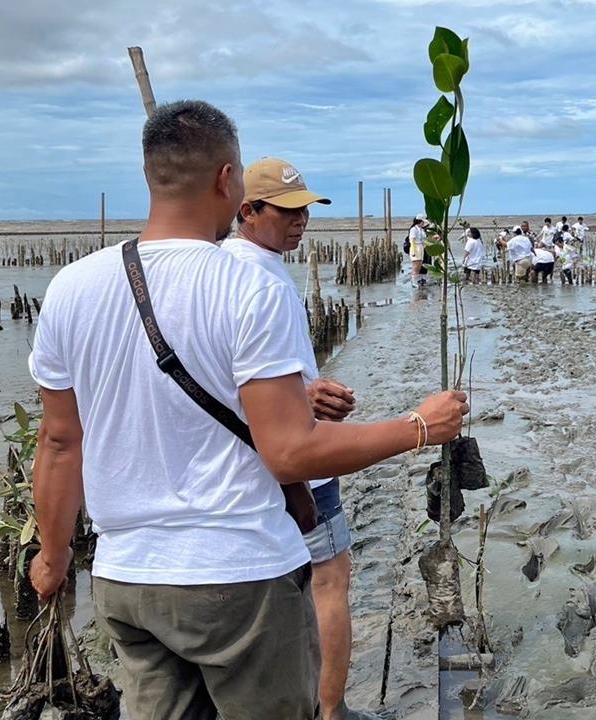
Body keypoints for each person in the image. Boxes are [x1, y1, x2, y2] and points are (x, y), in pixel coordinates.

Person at [27, 100, 469, 720]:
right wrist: (419, 427)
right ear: (228, 181)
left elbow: (58, 442)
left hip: (126, 579)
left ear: (151, 174)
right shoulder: (251, 284)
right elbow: (288, 451)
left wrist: (52, 556)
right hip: (238, 576)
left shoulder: (70, 287)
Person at [226, 157, 383, 720]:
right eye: (286, 211)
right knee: (330, 579)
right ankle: (331, 710)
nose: (300, 222)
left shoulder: (234, 267)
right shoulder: (257, 278)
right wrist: (301, 401)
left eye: (305, 211)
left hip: (253, 464)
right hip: (299, 466)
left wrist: (309, 390)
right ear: (247, 210)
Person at [408, 214, 430, 286]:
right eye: (423, 222)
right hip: (416, 247)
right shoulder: (414, 229)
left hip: (421, 247)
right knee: (416, 266)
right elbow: (412, 240)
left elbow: (424, 239)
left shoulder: (421, 230)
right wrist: (413, 250)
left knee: (419, 264)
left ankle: (417, 280)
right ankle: (413, 282)